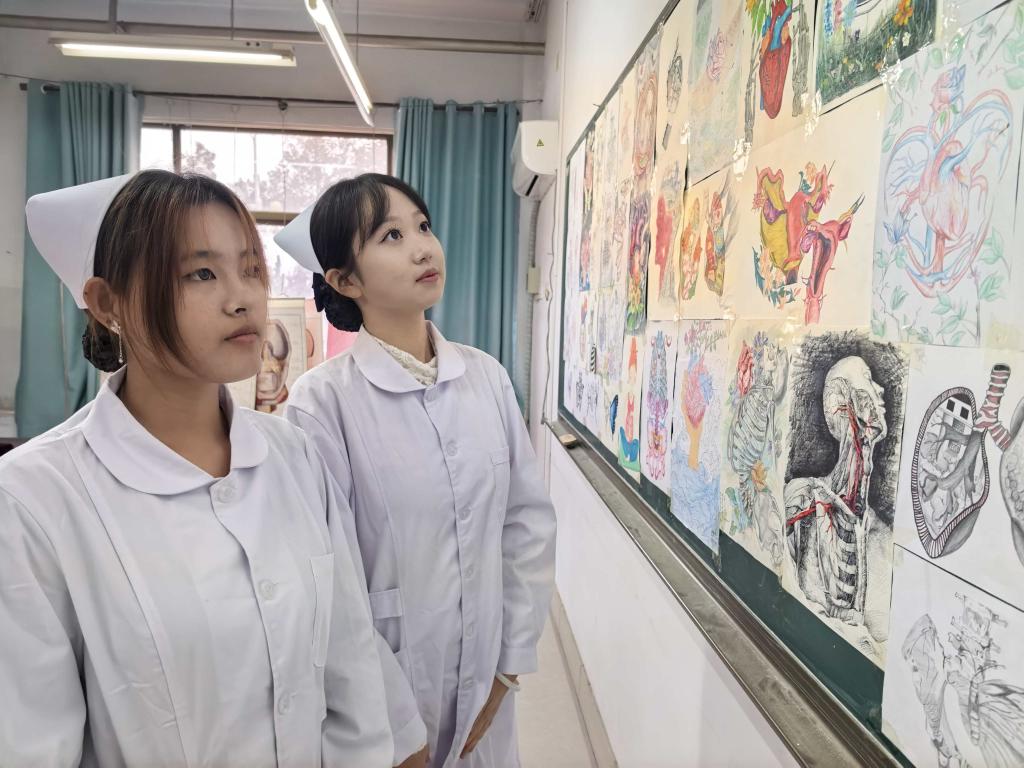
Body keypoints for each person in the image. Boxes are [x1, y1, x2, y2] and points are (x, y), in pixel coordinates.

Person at [0, 170, 393, 767]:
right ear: (107, 303)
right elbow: (31, 743)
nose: (243, 298)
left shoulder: (295, 455)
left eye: (251, 269)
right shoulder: (33, 498)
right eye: (201, 274)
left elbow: (351, 664)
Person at [275, 174, 557, 767]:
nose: (424, 248)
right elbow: (328, 582)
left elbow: (525, 524)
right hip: (382, 694)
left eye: (423, 227)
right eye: (392, 236)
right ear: (345, 280)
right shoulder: (321, 404)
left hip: (488, 674)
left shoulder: (486, 377)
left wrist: (507, 667)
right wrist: (394, 724)